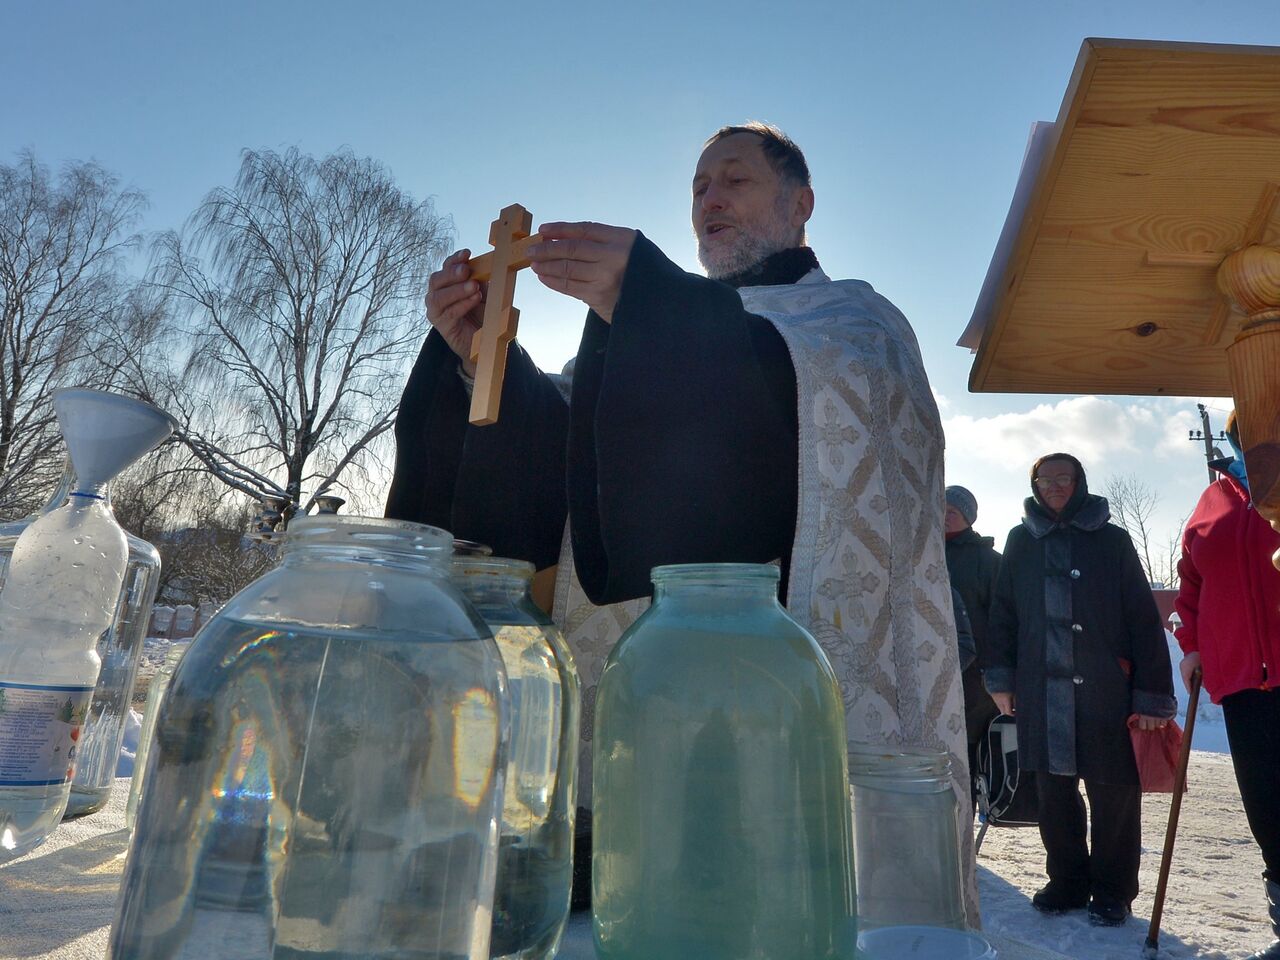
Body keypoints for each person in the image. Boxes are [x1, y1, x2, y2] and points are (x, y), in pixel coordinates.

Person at [386, 121, 974, 918]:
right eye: (698, 187)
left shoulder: (853, 324)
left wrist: (651, 302)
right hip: (642, 705)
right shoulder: (649, 332)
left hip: (780, 708)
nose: (710, 199)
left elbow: (808, 418)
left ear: (801, 204)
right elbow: (578, 458)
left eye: (734, 179)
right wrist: (477, 361)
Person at [985, 453, 1175, 927]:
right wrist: (1002, 679)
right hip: (1040, 689)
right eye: (1044, 480)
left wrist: (1151, 694)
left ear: (1079, 482)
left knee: (1114, 793)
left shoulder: (1112, 540)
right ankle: (1067, 881)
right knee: (1054, 792)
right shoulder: (1020, 541)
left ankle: (1113, 891)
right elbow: (1003, 614)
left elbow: (1143, 620)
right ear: (1033, 485)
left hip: (1107, 690)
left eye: (1062, 479)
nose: (1053, 487)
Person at [1175, 412, 1280, 959]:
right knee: (1269, 811)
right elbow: (1189, 584)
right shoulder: (1213, 499)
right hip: (1240, 680)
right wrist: (1192, 644)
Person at [943, 484, 1002, 799]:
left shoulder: (988, 561)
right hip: (933, 669)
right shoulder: (922, 553)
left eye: (951, 511)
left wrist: (994, 670)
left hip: (974, 677)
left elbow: (1004, 620)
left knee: (964, 757)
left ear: (968, 517)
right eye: (939, 509)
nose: (943, 517)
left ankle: (961, 826)